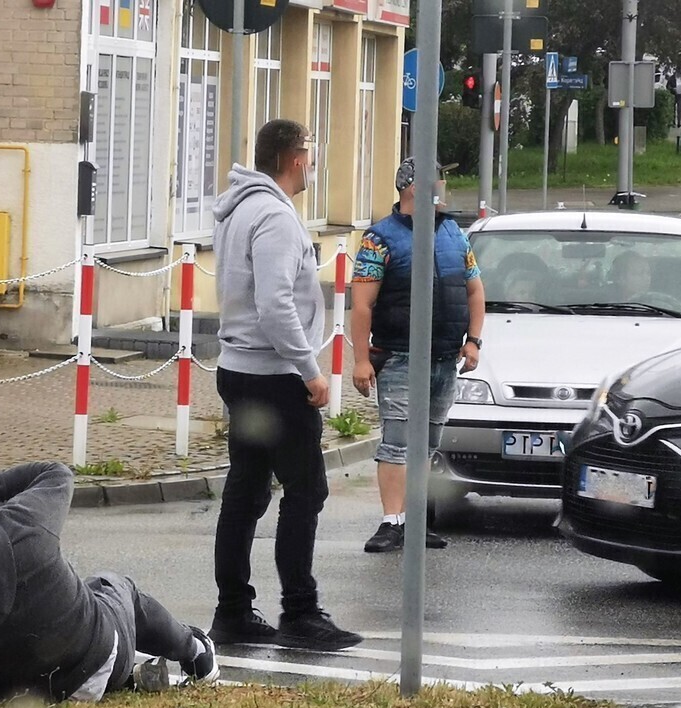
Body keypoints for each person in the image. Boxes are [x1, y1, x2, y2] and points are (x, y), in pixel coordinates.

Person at [0, 462, 218, 706]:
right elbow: (56, 473)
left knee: (86, 592)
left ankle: (132, 675)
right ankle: (197, 653)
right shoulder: (20, 525)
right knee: (115, 586)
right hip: (93, 668)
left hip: (9, 694)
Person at [208, 118, 362, 651]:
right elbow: (274, 304)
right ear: (296, 159)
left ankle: (232, 611)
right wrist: (309, 369)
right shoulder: (274, 216)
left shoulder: (240, 208)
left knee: (246, 490)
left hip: (241, 368)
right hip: (272, 375)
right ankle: (300, 612)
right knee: (305, 489)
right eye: (310, 155)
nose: (313, 165)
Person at [351, 158, 487, 554]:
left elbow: (475, 290)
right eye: (439, 180)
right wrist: (361, 360)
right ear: (415, 187)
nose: (444, 187)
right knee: (397, 443)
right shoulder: (379, 239)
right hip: (399, 357)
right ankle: (391, 521)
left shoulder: (453, 233)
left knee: (426, 443)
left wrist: (474, 341)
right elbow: (362, 305)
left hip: (444, 358)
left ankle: (414, 520)